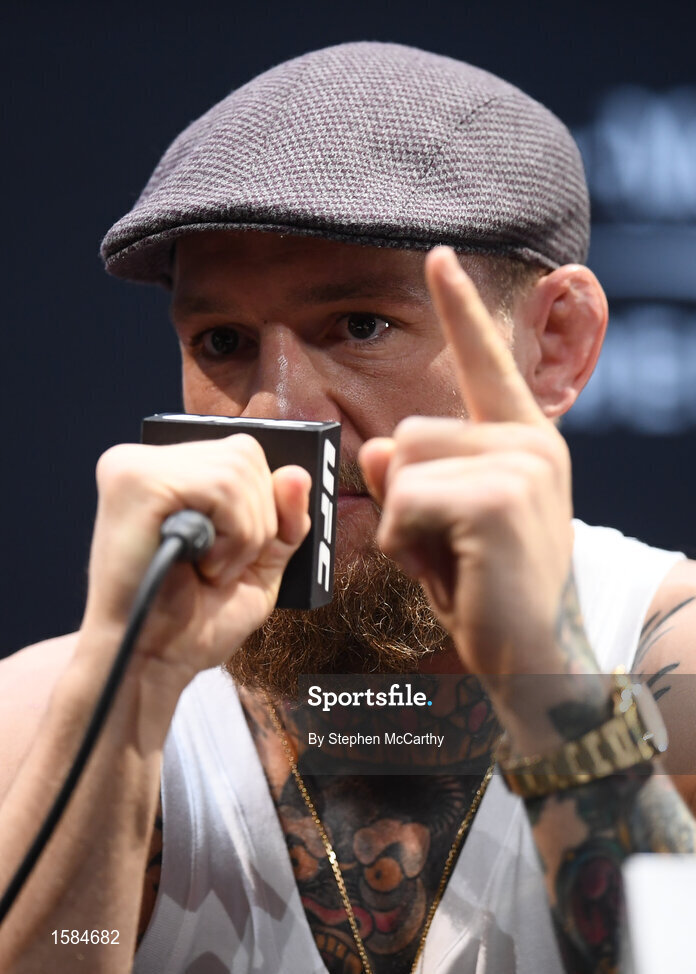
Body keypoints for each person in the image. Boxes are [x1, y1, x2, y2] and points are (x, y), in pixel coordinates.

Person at [1, 40, 695, 974]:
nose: (277, 413)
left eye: (362, 326)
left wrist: (547, 672)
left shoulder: (667, 663)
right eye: (223, 339)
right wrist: (126, 704)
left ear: (557, 344)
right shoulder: (56, 711)